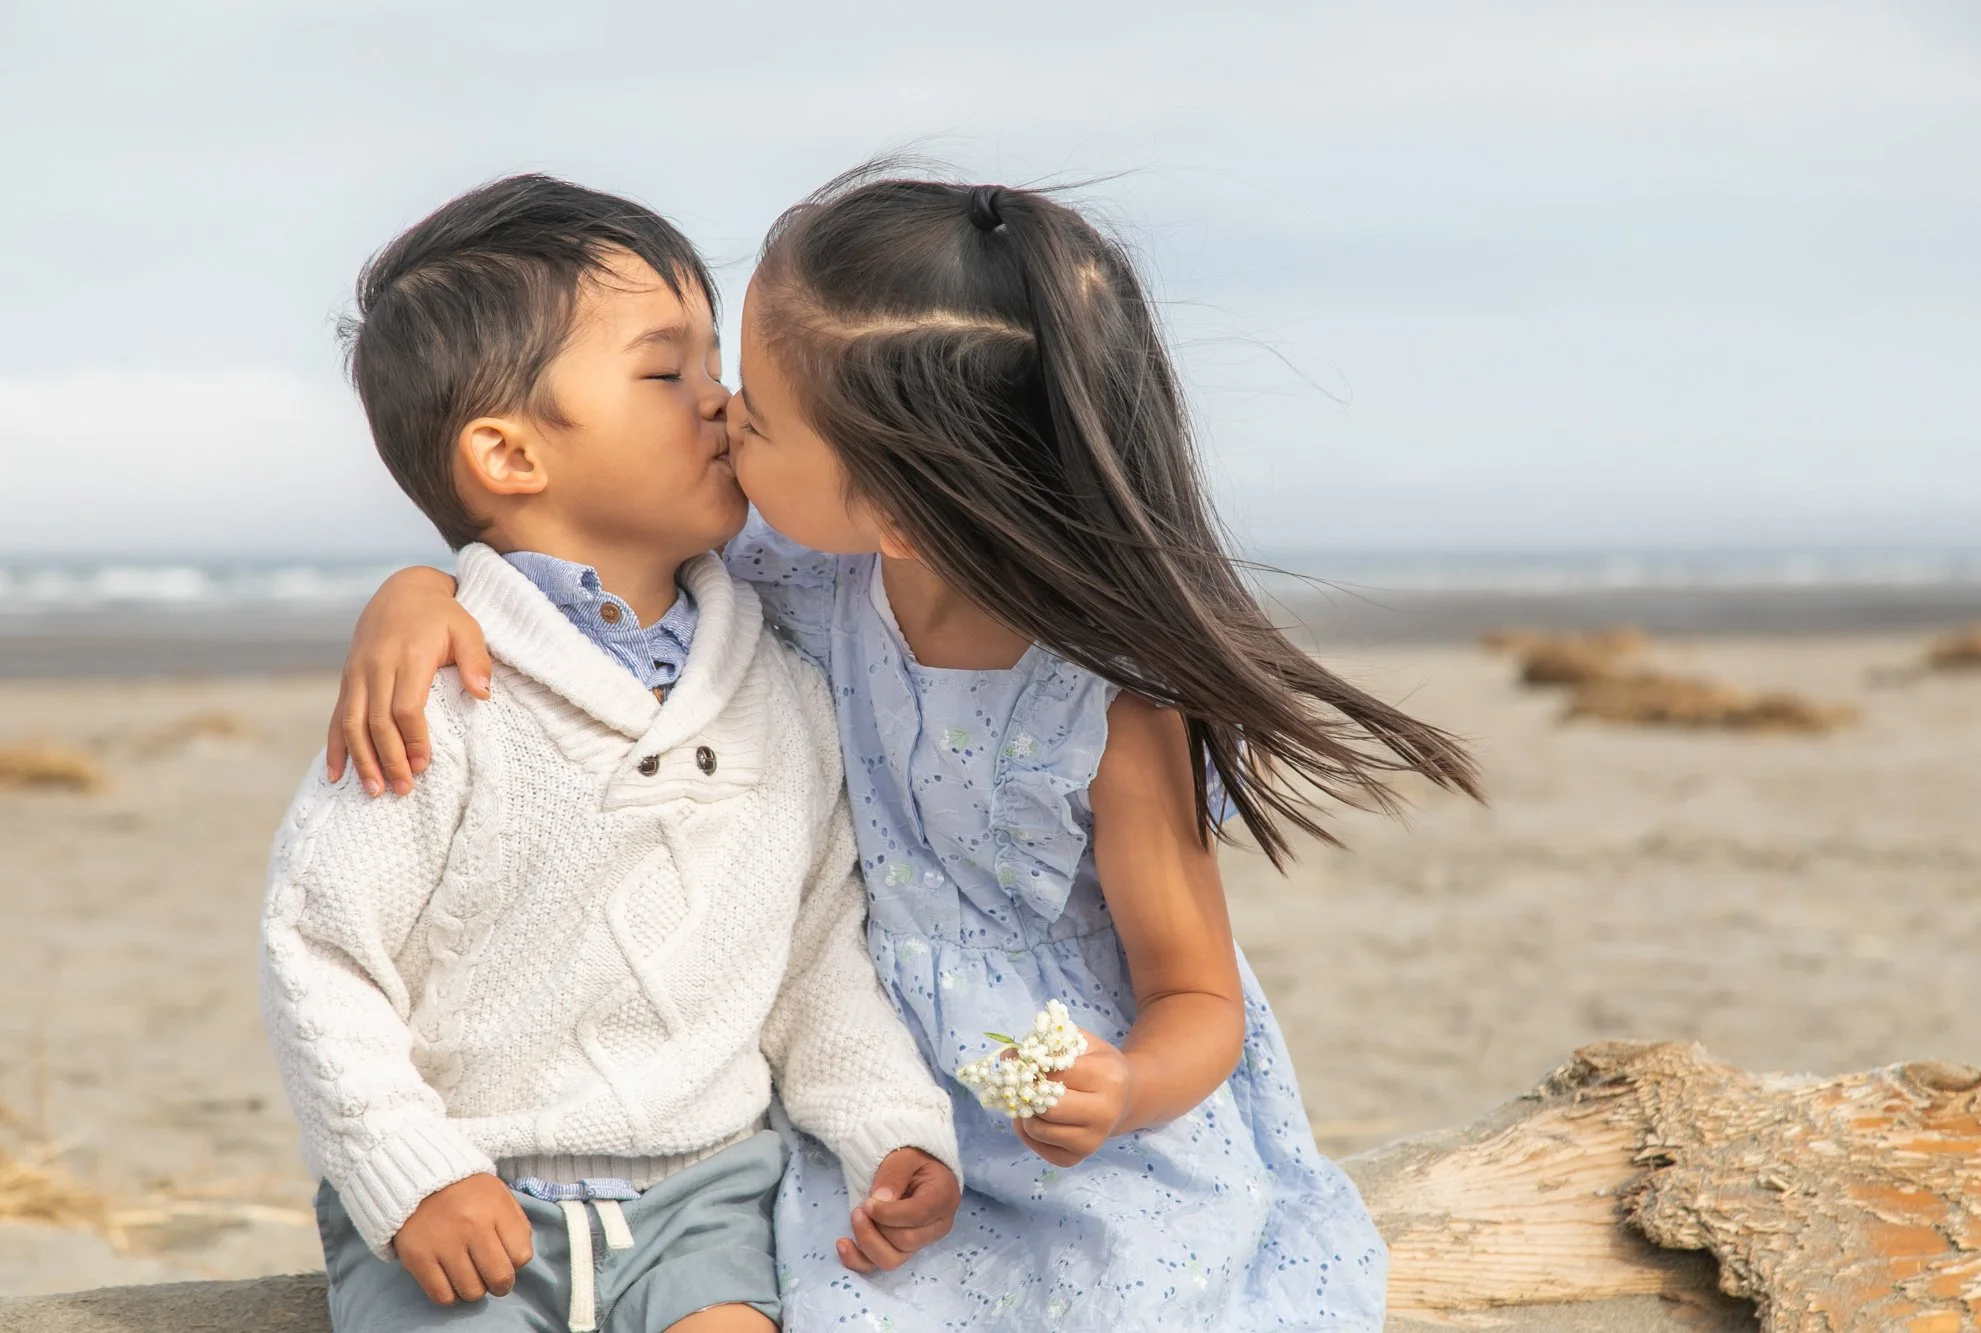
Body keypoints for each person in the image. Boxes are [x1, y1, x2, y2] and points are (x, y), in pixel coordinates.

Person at [328, 168, 1480, 1330]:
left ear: (895, 512)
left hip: (1086, 1134)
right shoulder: (786, 581)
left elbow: (1195, 994)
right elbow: (576, 560)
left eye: (757, 417)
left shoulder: (1112, 707)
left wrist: (1125, 1086)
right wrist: (424, 590)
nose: (720, 414)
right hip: (863, 1100)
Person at [260, 174, 961, 1333]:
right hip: (468, 1192)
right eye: (665, 372)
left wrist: (890, 1128)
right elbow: (320, 946)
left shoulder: (779, 687)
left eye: (711, 363)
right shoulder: (436, 687)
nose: (721, 400)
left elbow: (815, 952)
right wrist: (410, 1168)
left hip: (705, 1192)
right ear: (508, 454)